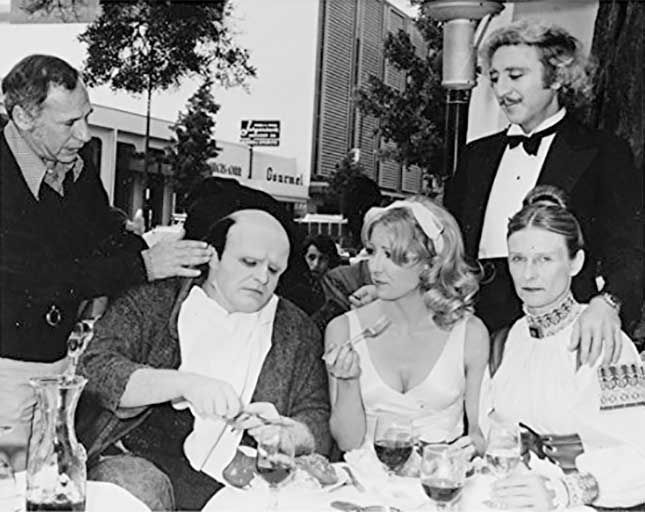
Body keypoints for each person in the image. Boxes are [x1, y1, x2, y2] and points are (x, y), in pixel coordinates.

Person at [0, 54, 212, 469]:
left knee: (45, 480)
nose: (83, 134)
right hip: (5, 371)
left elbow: (104, 236)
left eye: (87, 116)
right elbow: (36, 277)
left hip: (56, 363)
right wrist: (146, 265)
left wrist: (159, 250)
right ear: (24, 117)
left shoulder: (74, 166)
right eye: (68, 123)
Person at [77, 183, 331, 511]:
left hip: (245, 475)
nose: (262, 279)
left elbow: (317, 418)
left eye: (273, 270)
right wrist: (184, 384)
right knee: (138, 488)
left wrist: (290, 435)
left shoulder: (296, 330)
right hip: (137, 460)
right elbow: (94, 368)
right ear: (213, 255)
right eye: (249, 262)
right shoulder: (153, 302)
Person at [444, 20, 643, 365]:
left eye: (515, 75)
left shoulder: (603, 152)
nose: (502, 90)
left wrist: (608, 303)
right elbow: (448, 248)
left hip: (566, 334)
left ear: (556, 77)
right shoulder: (475, 157)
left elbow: (629, 248)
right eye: (494, 77)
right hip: (474, 328)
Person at [481, 185, 645, 509]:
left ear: (575, 263)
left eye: (544, 259)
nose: (528, 274)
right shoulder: (508, 339)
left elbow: (639, 455)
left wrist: (564, 491)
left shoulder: (601, 339)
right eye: (518, 259)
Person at [324, 196, 489, 455]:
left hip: (439, 485)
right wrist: (347, 380)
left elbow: (481, 435)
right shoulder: (343, 330)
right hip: (366, 488)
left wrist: (463, 455)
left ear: (432, 261)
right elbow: (348, 444)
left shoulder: (470, 333)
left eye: (391, 255)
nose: (375, 267)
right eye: (372, 251)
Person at [290, 234, 341, 315]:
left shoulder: (337, 287)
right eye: (311, 257)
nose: (316, 264)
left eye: (323, 259)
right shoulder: (294, 287)